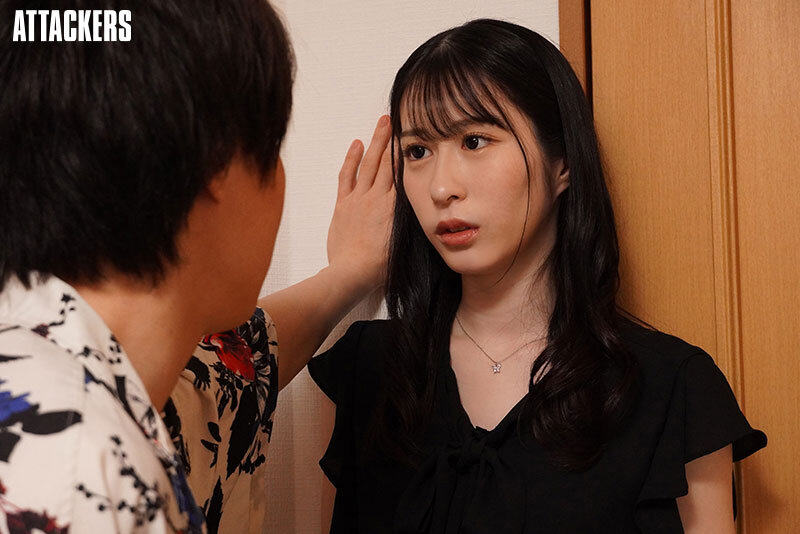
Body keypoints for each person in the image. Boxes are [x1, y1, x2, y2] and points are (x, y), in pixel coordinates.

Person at [307, 18, 767, 533]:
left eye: (475, 141)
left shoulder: (672, 389)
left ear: (562, 162)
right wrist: (346, 274)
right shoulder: (369, 369)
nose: (440, 187)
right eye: (418, 152)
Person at [0, 0, 393, 532]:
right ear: (218, 164)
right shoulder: (73, 468)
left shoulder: (88, 367)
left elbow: (241, 365)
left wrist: (348, 272)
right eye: (272, 150)